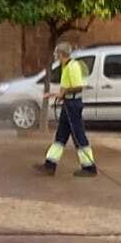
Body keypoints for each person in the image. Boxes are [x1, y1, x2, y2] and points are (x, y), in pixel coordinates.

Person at [36, 42, 97, 177]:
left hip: (73, 105)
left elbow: (78, 86)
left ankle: (89, 167)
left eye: (57, 53)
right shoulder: (66, 66)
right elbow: (67, 86)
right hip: (69, 104)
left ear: (61, 54)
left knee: (79, 136)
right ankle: (50, 165)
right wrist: (57, 94)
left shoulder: (72, 66)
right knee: (61, 137)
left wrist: (62, 94)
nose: (56, 56)